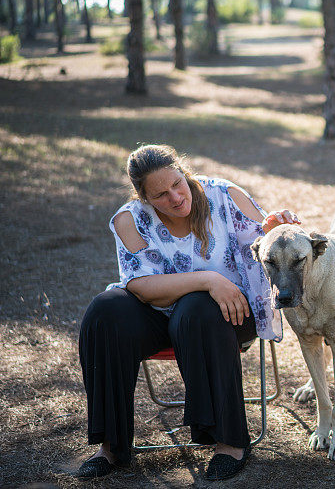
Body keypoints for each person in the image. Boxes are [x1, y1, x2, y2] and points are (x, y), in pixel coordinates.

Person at [78, 144, 298, 480]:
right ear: (145, 198)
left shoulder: (225, 195)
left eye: (177, 184)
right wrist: (208, 278)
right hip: (160, 315)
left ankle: (229, 442)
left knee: (197, 307)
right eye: (161, 195)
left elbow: (267, 246)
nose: (176, 198)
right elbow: (139, 285)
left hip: (227, 314)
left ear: (185, 172)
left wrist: (273, 227)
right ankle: (109, 446)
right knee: (104, 311)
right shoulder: (130, 219)